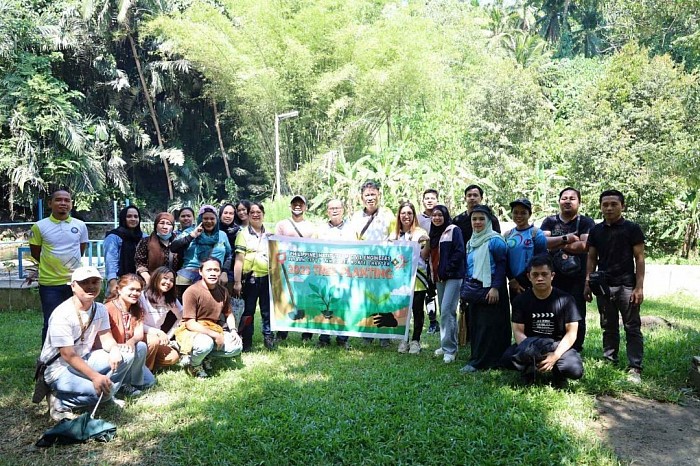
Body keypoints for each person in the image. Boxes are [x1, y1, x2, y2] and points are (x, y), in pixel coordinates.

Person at [38, 266, 135, 421]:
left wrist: (115, 349)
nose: (91, 286)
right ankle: (60, 401)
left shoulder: (100, 309)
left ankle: (108, 392)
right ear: (73, 286)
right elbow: (67, 355)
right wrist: (95, 376)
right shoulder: (62, 314)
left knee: (127, 354)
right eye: (84, 282)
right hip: (59, 369)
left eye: (95, 281)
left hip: (85, 358)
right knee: (102, 394)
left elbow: (106, 338)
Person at [585, 189, 645, 384]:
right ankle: (610, 359)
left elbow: (640, 258)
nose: (609, 208)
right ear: (601, 207)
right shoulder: (596, 231)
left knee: (632, 327)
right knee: (608, 326)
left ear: (622, 206)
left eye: (613, 204)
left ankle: (635, 366)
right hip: (603, 285)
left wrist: (639, 287)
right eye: (605, 204)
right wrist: (587, 282)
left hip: (627, 285)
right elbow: (592, 258)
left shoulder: (632, 228)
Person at [502, 255, 583, 387]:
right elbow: (518, 332)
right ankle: (529, 370)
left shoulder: (567, 299)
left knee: (574, 370)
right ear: (529, 277)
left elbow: (571, 333)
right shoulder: (520, 301)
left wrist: (555, 356)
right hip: (531, 343)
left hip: (556, 344)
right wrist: (532, 354)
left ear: (552, 276)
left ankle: (557, 373)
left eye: (544, 274)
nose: (540, 278)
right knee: (507, 359)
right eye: (535, 274)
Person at [29, 189, 89, 344]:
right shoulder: (39, 226)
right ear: (50, 203)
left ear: (71, 204)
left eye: (67, 200)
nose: (63, 203)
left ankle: (75, 355)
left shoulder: (80, 226)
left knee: (77, 320)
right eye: (58, 200)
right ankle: (46, 360)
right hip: (50, 284)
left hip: (76, 283)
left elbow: (80, 250)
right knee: (51, 321)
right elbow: (36, 253)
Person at [541, 187, 595, 352]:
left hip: (577, 277)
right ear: (559, 201)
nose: (568, 201)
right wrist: (568, 239)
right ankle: (555, 345)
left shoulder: (586, 222)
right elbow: (543, 242)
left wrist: (557, 243)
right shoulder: (549, 221)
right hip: (553, 276)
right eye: (564, 198)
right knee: (552, 311)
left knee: (577, 313)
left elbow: (585, 246)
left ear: (579, 202)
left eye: (572, 198)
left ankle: (576, 348)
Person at [460, 205, 510, 373]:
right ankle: (478, 358)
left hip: (492, 289)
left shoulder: (495, 240)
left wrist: (495, 288)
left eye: (482, 219)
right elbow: (469, 267)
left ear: (489, 221)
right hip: (476, 290)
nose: (477, 222)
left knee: (492, 326)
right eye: (474, 219)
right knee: (477, 325)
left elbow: (502, 265)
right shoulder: (471, 242)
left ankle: (491, 360)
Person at [175, 258, 242, 378]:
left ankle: (205, 356)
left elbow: (229, 314)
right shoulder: (191, 291)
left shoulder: (223, 291)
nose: (212, 273)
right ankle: (194, 364)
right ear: (201, 272)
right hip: (193, 330)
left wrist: (233, 331)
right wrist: (215, 335)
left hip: (213, 327)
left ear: (220, 272)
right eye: (209, 270)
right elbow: (190, 323)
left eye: (216, 270)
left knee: (236, 346)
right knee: (205, 344)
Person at [100, 274, 155, 396]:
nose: (135, 293)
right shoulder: (107, 308)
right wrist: (118, 347)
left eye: (138, 290)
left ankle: (132, 383)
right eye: (131, 289)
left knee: (150, 381)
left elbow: (139, 334)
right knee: (139, 348)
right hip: (111, 351)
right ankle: (116, 387)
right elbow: (102, 339)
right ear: (119, 289)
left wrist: (131, 341)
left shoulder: (137, 309)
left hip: (128, 350)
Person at [233, 202, 275, 351]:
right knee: (248, 310)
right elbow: (239, 259)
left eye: (259, 212)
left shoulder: (270, 234)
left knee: (267, 310)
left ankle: (268, 337)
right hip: (250, 278)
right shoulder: (243, 234)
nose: (256, 215)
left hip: (267, 278)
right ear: (248, 215)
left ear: (263, 214)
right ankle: (247, 340)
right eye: (253, 212)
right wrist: (237, 282)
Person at [275, 195, 317, 342]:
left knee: (304, 299)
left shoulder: (311, 226)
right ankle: (282, 332)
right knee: (286, 297)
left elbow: (314, 249)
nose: (297, 206)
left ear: (305, 207)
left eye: (301, 204)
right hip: (286, 269)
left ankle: (306, 333)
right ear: (290, 206)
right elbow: (276, 245)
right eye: (294, 204)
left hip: (305, 269)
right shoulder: (282, 225)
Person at [390, 201, 430, 355]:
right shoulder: (394, 235)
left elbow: (425, 255)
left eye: (409, 213)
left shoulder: (420, 232)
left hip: (418, 277)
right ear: (399, 215)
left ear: (414, 215)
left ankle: (415, 341)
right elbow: (389, 257)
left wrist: (427, 242)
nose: (406, 216)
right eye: (403, 213)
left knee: (417, 310)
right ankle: (403, 339)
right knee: (401, 311)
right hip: (400, 279)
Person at [429, 205, 465, 363]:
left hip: (453, 276)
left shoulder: (453, 229)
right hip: (439, 277)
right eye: (434, 215)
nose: (436, 218)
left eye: (439, 215)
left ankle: (450, 350)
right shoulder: (433, 233)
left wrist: (447, 270)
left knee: (447, 311)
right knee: (446, 312)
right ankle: (446, 346)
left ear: (445, 216)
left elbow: (459, 252)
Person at [171, 205, 232, 296]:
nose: (209, 221)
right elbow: (173, 247)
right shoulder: (189, 231)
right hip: (189, 277)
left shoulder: (222, 235)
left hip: (214, 276)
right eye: (205, 218)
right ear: (200, 219)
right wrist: (192, 235)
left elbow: (229, 255)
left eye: (212, 218)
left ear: (216, 220)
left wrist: (224, 272)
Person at [317, 199, 351, 349]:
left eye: (337, 208)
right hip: (325, 275)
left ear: (343, 210)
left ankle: (342, 338)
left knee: (343, 306)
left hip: (345, 275)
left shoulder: (351, 229)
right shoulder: (320, 230)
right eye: (331, 208)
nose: (335, 210)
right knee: (325, 304)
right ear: (327, 211)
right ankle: (324, 337)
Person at [139, 266, 182, 371]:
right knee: (153, 341)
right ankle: (146, 371)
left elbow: (182, 317)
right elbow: (135, 323)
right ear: (156, 278)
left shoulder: (170, 299)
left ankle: (148, 360)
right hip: (140, 334)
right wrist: (157, 332)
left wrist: (168, 335)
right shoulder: (141, 296)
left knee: (173, 357)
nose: (168, 282)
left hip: (158, 337)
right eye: (165, 278)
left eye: (171, 280)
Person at [504, 198, 547, 301]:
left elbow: (541, 259)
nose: (519, 216)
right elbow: (504, 260)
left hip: (532, 281)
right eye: (516, 212)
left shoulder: (536, 234)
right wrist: (512, 280)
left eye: (523, 213)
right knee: (517, 313)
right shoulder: (507, 235)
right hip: (513, 282)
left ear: (529, 214)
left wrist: (527, 279)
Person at [104, 205, 147, 295]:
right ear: (123, 218)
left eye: (136, 216)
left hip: (140, 281)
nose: (133, 219)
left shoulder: (144, 237)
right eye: (129, 216)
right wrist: (112, 281)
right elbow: (111, 261)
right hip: (120, 281)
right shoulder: (114, 237)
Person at [134, 212, 181, 287]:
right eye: (161, 223)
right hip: (151, 283)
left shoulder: (178, 242)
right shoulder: (146, 241)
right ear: (156, 225)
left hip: (171, 284)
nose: (165, 227)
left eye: (169, 224)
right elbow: (140, 263)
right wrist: (149, 280)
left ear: (173, 227)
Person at [417, 189, 440, 335]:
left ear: (437, 200)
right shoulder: (418, 219)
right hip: (421, 259)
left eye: (432, 198)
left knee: (435, 291)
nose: (429, 200)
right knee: (426, 292)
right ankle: (432, 322)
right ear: (423, 201)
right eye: (427, 198)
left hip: (438, 259)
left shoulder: (441, 216)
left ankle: (438, 322)